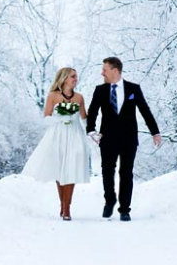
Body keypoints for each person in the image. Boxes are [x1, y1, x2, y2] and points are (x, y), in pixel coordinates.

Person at [86, 57, 161, 222]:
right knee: (107, 171)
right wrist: (91, 130)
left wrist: (155, 132)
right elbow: (92, 112)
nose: (102, 73)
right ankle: (110, 200)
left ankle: (125, 209)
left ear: (115, 70)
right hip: (107, 138)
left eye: (104, 70)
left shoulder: (133, 89)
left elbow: (145, 111)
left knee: (126, 173)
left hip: (129, 139)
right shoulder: (100, 90)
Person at [21, 67, 91, 220]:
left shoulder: (79, 97)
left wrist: (92, 132)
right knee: (61, 171)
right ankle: (63, 205)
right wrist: (60, 119)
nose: (75, 79)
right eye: (73, 76)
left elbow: (85, 118)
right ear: (64, 78)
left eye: (76, 76)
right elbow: (46, 117)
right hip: (57, 135)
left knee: (71, 169)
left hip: (75, 135)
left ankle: (67, 209)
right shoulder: (53, 96)